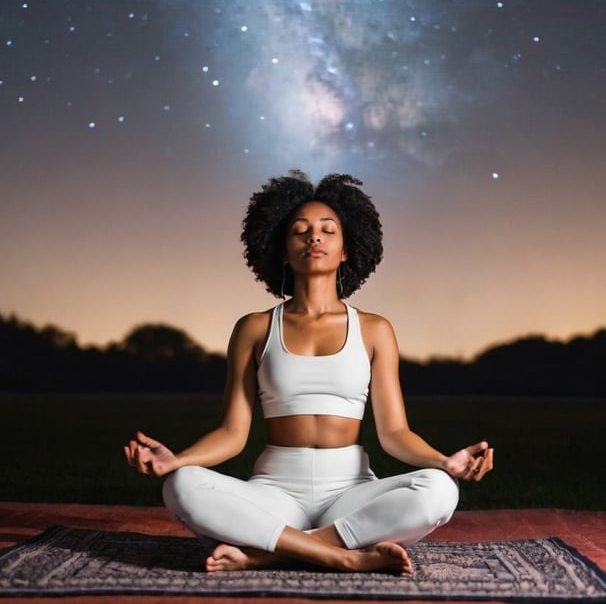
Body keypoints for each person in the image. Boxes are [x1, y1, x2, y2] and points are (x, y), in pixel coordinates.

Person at [124, 170, 493, 574]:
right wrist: (176, 461)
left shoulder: (375, 329)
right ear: (283, 250)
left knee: (440, 490)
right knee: (182, 486)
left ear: (346, 249)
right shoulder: (255, 328)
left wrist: (444, 461)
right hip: (275, 490)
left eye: (327, 230)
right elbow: (232, 433)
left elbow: (394, 434)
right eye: (300, 231)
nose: (313, 238)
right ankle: (341, 555)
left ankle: (267, 552)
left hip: (351, 492)